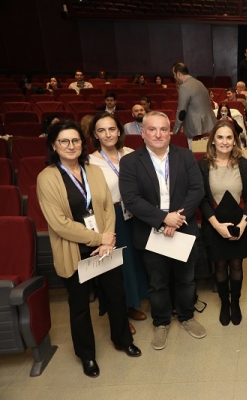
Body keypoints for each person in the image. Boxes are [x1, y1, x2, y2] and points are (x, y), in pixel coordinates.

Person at [37, 120, 140, 378]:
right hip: (74, 251)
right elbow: (59, 223)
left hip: (104, 246)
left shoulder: (91, 169)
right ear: (54, 145)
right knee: (80, 306)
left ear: (82, 144)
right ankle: (87, 356)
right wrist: (98, 239)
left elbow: (107, 207)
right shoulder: (47, 177)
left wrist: (106, 240)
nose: (71, 146)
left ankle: (123, 340)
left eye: (75, 141)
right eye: (64, 141)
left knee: (116, 296)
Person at [119, 111, 206, 350]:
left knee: (186, 279)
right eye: (152, 129)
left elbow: (197, 190)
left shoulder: (186, 156)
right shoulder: (129, 162)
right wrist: (162, 219)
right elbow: (131, 199)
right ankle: (161, 322)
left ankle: (186, 316)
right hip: (151, 232)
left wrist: (176, 218)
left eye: (163, 129)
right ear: (142, 133)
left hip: (183, 227)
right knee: (157, 282)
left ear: (170, 132)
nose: (158, 134)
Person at [88, 113, 149, 332]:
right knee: (117, 267)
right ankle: (120, 313)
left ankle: (133, 304)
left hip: (135, 215)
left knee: (135, 262)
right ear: (95, 134)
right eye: (101, 130)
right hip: (111, 217)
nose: (108, 134)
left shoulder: (131, 154)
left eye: (112, 129)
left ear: (119, 131)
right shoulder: (90, 162)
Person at [198, 121, 247, 326]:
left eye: (229, 137)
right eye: (220, 137)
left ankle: (236, 302)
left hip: (239, 223)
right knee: (220, 266)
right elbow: (202, 200)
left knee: (237, 264)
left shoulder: (243, 164)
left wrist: (243, 223)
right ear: (213, 140)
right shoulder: (204, 165)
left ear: (234, 140)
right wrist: (216, 225)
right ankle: (224, 303)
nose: (224, 141)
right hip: (215, 225)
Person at [171, 62, 217, 149]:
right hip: (209, 123)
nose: (174, 77)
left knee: (195, 156)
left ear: (178, 73)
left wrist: (175, 130)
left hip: (195, 127)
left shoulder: (184, 86)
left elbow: (181, 111)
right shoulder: (199, 83)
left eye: (174, 74)